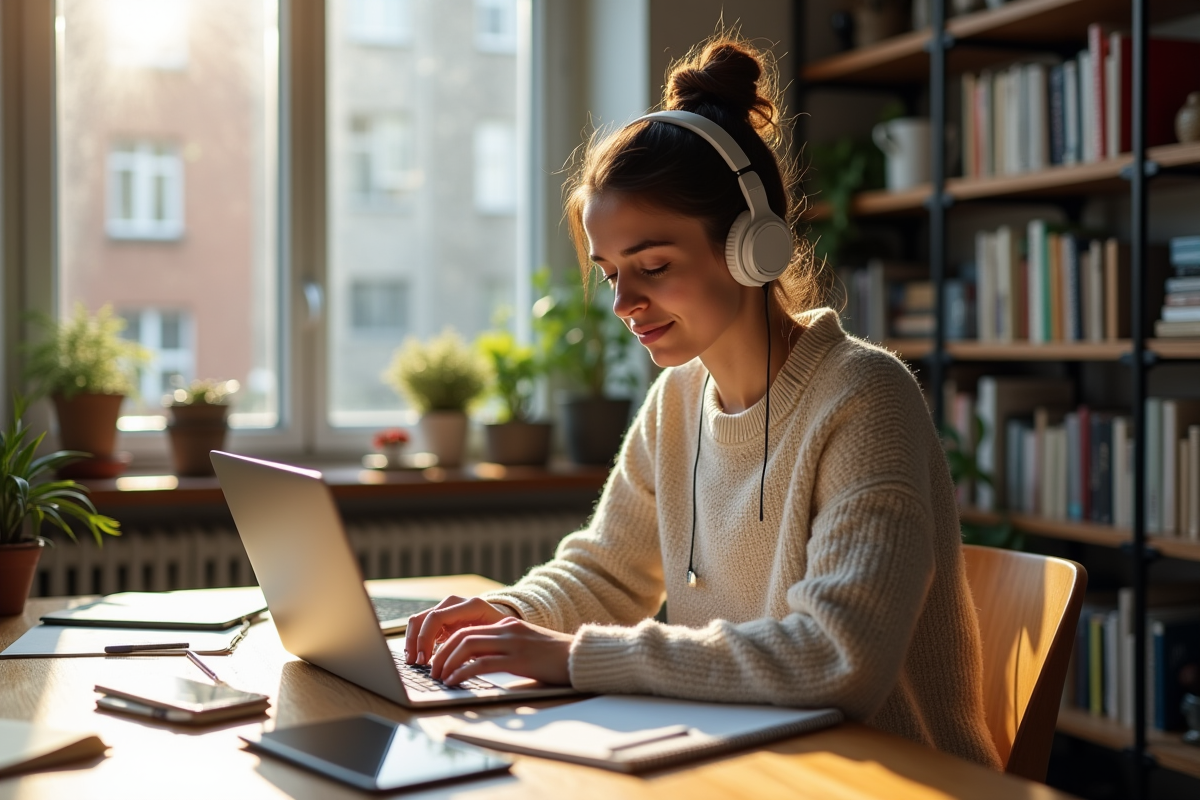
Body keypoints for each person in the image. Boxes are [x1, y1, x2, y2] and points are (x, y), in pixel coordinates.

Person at [403, 35, 1002, 770]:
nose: (624, 301)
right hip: (747, 762)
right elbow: (606, 573)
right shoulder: (675, 401)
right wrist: (509, 617)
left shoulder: (864, 399)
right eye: (610, 270)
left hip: (886, 777)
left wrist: (572, 657)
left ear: (755, 246)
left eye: (653, 264)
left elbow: (839, 657)